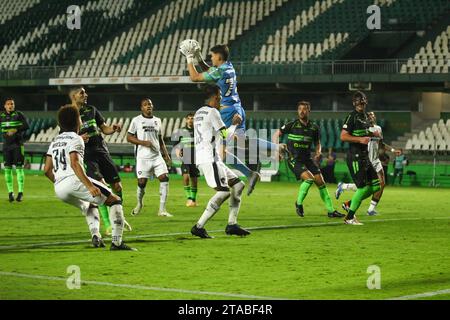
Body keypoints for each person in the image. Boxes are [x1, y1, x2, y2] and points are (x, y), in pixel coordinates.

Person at [43, 105, 135, 251]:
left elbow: (47, 170)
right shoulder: (76, 138)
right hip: (74, 181)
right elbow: (74, 164)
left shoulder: (55, 141)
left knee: (90, 205)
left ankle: (96, 235)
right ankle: (117, 243)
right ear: (77, 121)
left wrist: (59, 182)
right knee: (115, 200)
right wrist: (90, 186)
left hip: (59, 188)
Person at [181, 42, 265, 196]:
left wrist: (189, 58)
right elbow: (212, 71)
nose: (211, 58)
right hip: (237, 107)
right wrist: (199, 59)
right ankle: (252, 171)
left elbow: (194, 77)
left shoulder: (221, 71)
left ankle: (258, 164)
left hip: (227, 112)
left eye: (212, 56)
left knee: (223, 152)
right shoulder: (228, 67)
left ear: (218, 56)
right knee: (234, 144)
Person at [69, 86, 131, 235]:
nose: (85, 95)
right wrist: (78, 138)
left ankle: (119, 216)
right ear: (73, 96)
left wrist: (113, 128)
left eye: (85, 92)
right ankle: (109, 225)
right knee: (100, 188)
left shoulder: (92, 109)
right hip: (87, 155)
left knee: (117, 186)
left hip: (102, 150)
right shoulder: (68, 114)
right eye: (82, 93)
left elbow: (104, 128)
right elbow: (66, 135)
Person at [191, 85, 250, 239]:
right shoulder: (213, 112)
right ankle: (199, 226)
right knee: (223, 191)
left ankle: (232, 224)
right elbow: (224, 135)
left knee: (238, 185)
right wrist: (235, 123)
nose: (221, 99)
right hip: (209, 158)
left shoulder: (198, 112)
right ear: (216, 97)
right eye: (220, 96)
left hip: (210, 156)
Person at [272, 101, 345, 218]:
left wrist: (318, 151)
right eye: (300, 109)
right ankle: (299, 203)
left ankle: (331, 211)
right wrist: (277, 150)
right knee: (309, 179)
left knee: (321, 182)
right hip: (294, 159)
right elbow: (276, 134)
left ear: (309, 111)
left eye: (304, 109)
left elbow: (318, 143)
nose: (301, 111)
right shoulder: (292, 125)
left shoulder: (314, 128)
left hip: (307, 159)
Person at [336, 111, 397, 215]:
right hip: (366, 159)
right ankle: (346, 193)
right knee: (366, 186)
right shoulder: (364, 128)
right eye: (369, 116)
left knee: (381, 184)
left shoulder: (378, 129)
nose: (371, 117)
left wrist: (392, 150)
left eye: (373, 115)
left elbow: (381, 144)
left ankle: (371, 209)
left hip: (376, 160)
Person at [339, 91, 381, 225]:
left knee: (376, 186)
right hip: (355, 156)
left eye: (362, 102)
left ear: (365, 102)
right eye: (358, 102)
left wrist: (372, 133)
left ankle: (349, 203)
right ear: (354, 103)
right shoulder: (351, 117)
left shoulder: (365, 117)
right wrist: (359, 139)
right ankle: (349, 217)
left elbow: (364, 132)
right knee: (363, 188)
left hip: (365, 156)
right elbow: (343, 136)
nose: (360, 104)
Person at [127, 98, 172, 217]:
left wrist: (166, 154)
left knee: (164, 178)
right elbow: (129, 137)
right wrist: (142, 142)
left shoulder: (158, 120)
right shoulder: (136, 120)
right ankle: (139, 204)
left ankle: (162, 210)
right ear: (141, 108)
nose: (148, 106)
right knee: (142, 183)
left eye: (150, 104)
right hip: (143, 157)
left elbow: (160, 139)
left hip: (157, 156)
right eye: (145, 105)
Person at [1, 98, 29, 202]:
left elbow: (27, 125)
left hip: (18, 145)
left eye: (12, 104)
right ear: (5, 106)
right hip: (6, 146)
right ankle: (10, 193)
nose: (10, 106)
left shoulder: (19, 114)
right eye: (8, 104)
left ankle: (20, 193)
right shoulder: (2, 116)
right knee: (7, 169)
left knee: (19, 168)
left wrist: (15, 130)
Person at [174, 113, 199, 207]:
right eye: (189, 118)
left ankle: (193, 199)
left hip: (196, 158)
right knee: (186, 177)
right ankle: (189, 198)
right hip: (185, 158)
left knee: (194, 180)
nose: (190, 120)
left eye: (192, 118)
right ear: (186, 120)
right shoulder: (181, 131)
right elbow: (176, 145)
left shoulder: (198, 130)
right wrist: (177, 154)